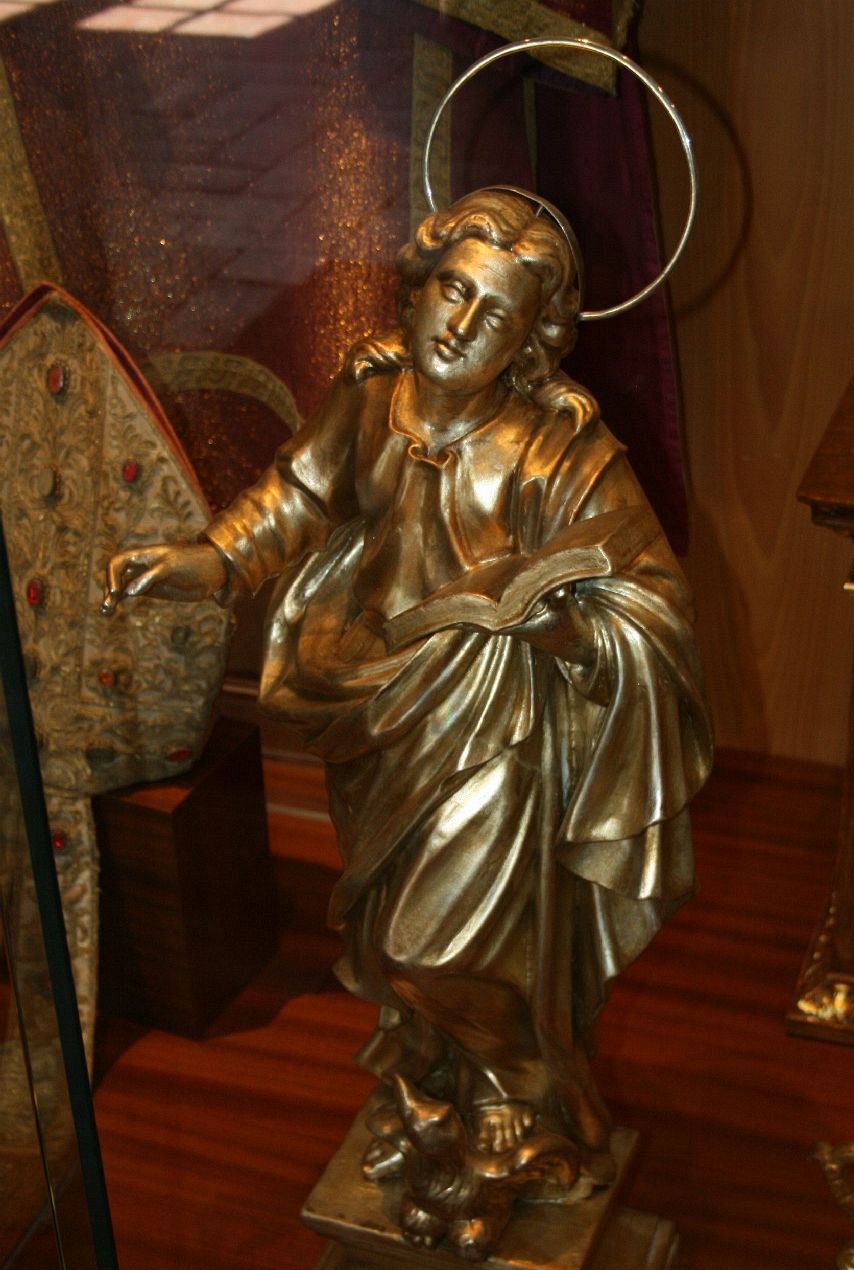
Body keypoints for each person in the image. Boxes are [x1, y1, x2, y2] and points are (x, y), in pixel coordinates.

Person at [104, 189, 712, 1189]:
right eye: (453, 290)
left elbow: (655, 603)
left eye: (497, 314)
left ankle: (519, 1090)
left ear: (529, 342)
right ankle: (439, 1081)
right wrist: (211, 558)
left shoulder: (560, 451)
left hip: (499, 733)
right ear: (418, 287)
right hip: (376, 709)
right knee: (388, 938)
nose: (461, 325)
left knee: (441, 943)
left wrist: (557, 624)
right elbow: (296, 496)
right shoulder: (368, 397)